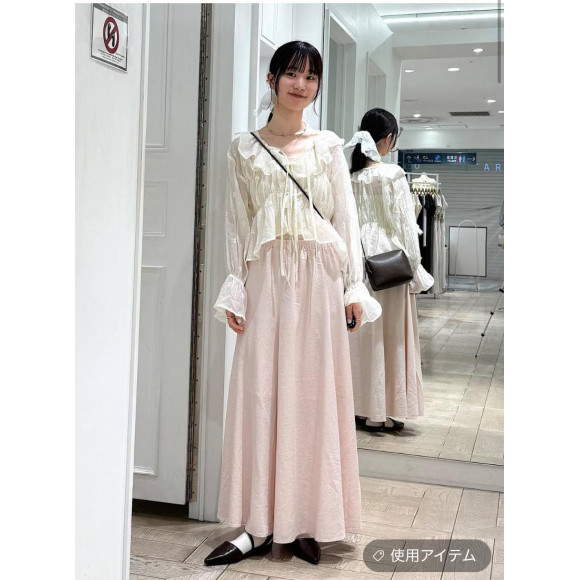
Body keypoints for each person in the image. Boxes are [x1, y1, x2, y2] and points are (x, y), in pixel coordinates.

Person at [205, 41, 381, 567]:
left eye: (310, 77)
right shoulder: (244, 149)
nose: (301, 85)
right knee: (260, 392)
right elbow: (237, 223)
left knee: (312, 395)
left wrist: (352, 286)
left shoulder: (328, 147)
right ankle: (256, 524)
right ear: (272, 78)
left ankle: (307, 518)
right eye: (292, 74)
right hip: (265, 279)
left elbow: (345, 220)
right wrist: (236, 285)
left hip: (319, 279)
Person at [344, 108, 434, 434]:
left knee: (362, 338)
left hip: (360, 265)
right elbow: (405, 226)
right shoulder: (393, 174)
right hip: (391, 263)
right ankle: (387, 411)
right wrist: (416, 269)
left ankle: (362, 408)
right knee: (393, 337)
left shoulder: (351, 178)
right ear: (388, 138)